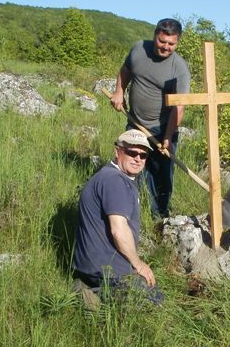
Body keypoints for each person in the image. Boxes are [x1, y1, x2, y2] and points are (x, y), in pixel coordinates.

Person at [72, 129, 163, 308]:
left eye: (143, 155)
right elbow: (118, 230)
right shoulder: (115, 181)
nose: (138, 159)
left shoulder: (109, 176)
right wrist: (138, 264)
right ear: (117, 151)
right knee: (155, 305)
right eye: (132, 152)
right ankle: (91, 291)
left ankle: (90, 287)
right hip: (105, 270)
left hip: (95, 265)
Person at [110, 18, 191, 218]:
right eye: (162, 41)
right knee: (131, 169)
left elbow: (179, 107)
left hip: (163, 128)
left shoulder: (179, 69)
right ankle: (129, 211)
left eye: (171, 44)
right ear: (155, 35)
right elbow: (125, 70)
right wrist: (119, 91)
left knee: (161, 175)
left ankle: (159, 217)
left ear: (177, 42)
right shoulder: (139, 49)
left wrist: (168, 136)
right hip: (135, 124)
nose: (166, 47)